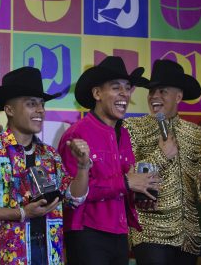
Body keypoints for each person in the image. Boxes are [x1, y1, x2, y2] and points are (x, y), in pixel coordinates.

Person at [0, 67, 90, 265]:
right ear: (9, 110)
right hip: (9, 258)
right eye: (31, 104)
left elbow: (74, 199)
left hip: (50, 256)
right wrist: (21, 213)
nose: (40, 110)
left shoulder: (50, 154)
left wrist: (82, 168)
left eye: (42, 104)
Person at [57, 56, 160, 265]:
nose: (124, 94)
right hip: (87, 233)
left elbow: (124, 185)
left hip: (120, 234)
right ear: (97, 94)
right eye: (116, 87)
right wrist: (126, 183)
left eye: (127, 87)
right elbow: (70, 194)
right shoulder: (76, 134)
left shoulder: (124, 134)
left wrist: (140, 195)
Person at [123, 59, 201, 265]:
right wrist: (161, 156)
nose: (155, 96)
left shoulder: (195, 133)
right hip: (150, 231)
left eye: (162, 91)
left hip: (188, 236)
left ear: (179, 96)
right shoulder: (132, 128)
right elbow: (129, 177)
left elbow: (198, 190)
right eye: (151, 92)